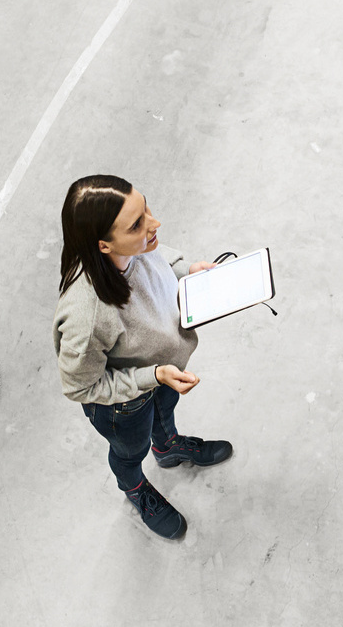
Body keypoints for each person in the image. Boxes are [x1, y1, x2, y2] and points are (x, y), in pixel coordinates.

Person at [53, 174, 232, 540]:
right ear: (103, 245)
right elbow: (80, 386)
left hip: (165, 370)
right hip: (123, 404)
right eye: (137, 224)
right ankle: (134, 488)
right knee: (129, 451)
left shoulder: (139, 248)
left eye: (145, 208)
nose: (154, 224)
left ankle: (166, 449)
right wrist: (151, 377)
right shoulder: (87, 315)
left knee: (164, 415)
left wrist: (187, 271)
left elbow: (160, 261)